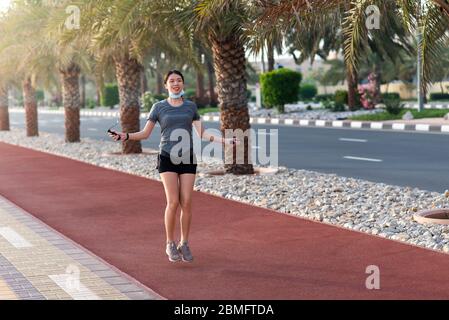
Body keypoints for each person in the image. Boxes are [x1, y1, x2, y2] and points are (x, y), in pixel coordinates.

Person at [108, 69, 238, 263]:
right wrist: (124, 136)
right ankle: (169, 243)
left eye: (179, 80)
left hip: (187, 158)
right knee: (173, 202)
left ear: (183, 84)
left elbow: (202, 133)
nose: (175, 83)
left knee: (187, 202)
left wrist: (224, 141)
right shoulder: (158, 107)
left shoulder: (190, 107)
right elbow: (145, 134)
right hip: (167, 157)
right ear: (166, 85)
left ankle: (184, 243)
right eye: (172, 81)